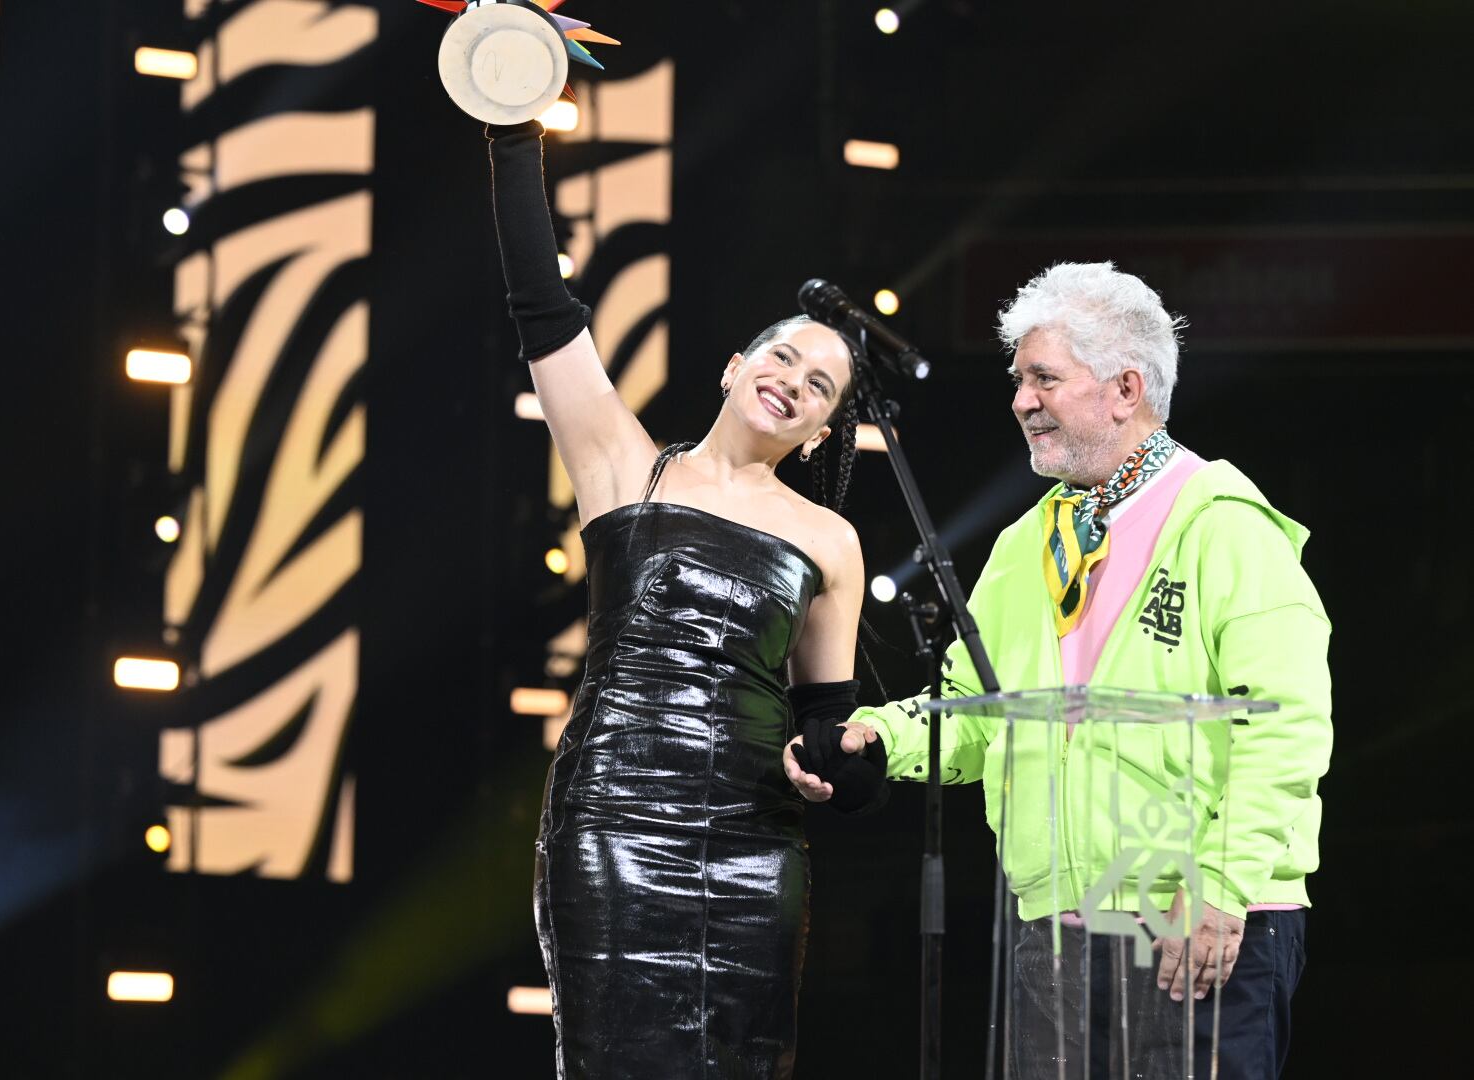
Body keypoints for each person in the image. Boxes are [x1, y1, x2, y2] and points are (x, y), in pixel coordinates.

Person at [785, 262, 1332, 1078]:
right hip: (1052, 937)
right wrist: (880, 735)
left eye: (1044, 378)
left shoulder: (1224, 526)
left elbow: (1285, 724)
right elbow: (978, 708)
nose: (1020, 400)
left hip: (1199, 920)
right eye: (1018, 379)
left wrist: (1220, 887)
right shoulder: (1026, 544)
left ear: (1125, 389)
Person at [484, 119, 874, 1080]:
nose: (794, 383)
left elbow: (836, 721)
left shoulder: (831, 540)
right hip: (616, 818)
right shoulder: (624, 465)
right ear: (736, 367)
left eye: (821, 387)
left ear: (824, 432)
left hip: (756, 845)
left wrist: (842, 770)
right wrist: (510, 136)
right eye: (781, 358)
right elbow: (543, 303)